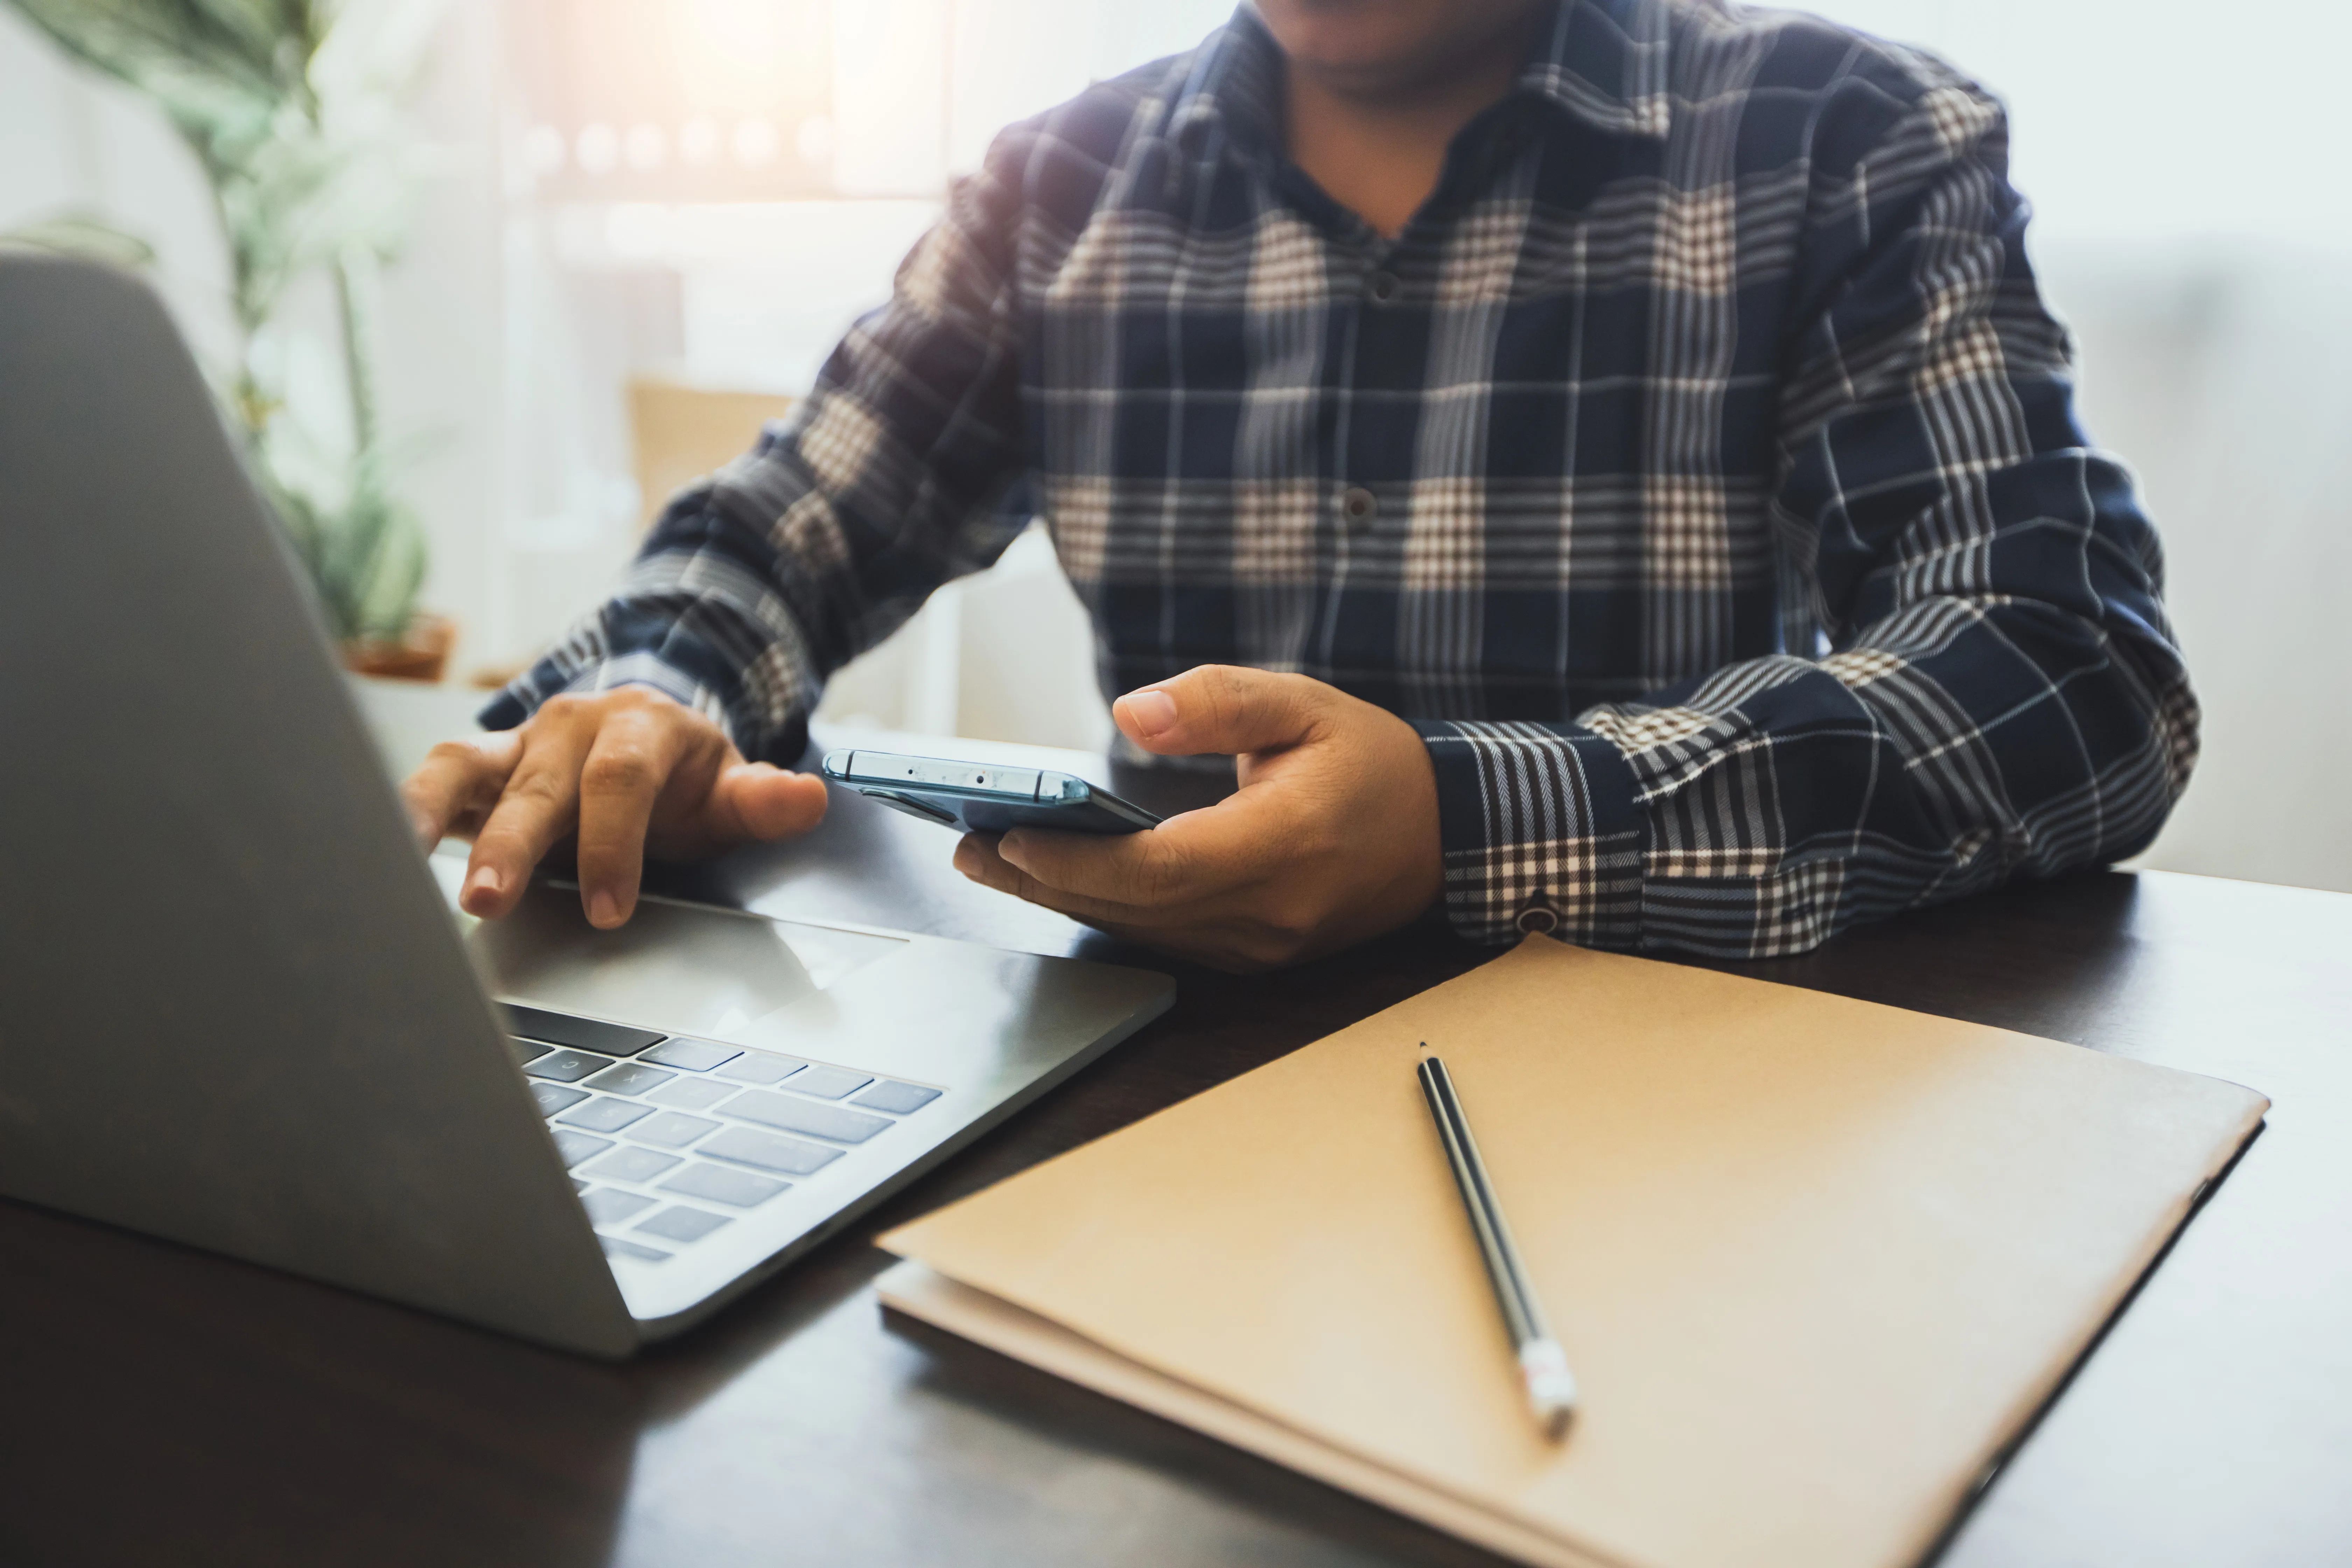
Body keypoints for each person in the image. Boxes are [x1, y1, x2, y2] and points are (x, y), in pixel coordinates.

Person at [402, 0, 2195, 972]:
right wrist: (658, 695)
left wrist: (1471, 824)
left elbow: (2062, 671)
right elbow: (786, 529)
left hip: (1661, 1088)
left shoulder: (1844, 136)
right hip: (1135, 1059)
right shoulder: (1063, 182)